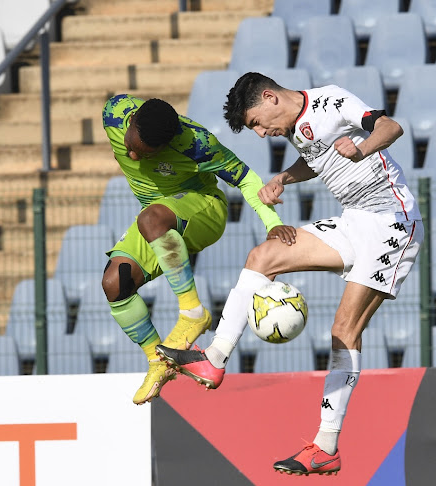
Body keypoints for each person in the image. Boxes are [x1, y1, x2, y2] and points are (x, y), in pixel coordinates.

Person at [155, 72, 423, 475]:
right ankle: (214, 358)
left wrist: (363, 147)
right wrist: (283, 178)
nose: (262, 134)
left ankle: (326, 445)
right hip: (355, 221)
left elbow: (390, 126)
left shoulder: (331, 102)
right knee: (263, 256)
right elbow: (316, 159)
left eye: (257, 123)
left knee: (344, 330)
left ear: (269, 97)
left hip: (391, 223)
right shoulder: (295, 127)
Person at [101, 95, 296, 405]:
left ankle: (193, 313)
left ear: (166, 147)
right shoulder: (114, 112)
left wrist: (272, 223)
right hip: (158, 217)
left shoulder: (196, 144)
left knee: (151, 218)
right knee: (115, 283)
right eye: (130, 144)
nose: (132, 154)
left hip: (204, 208)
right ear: (132, 121)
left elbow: (245, 177)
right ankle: (158, 361)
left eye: (144, 153)